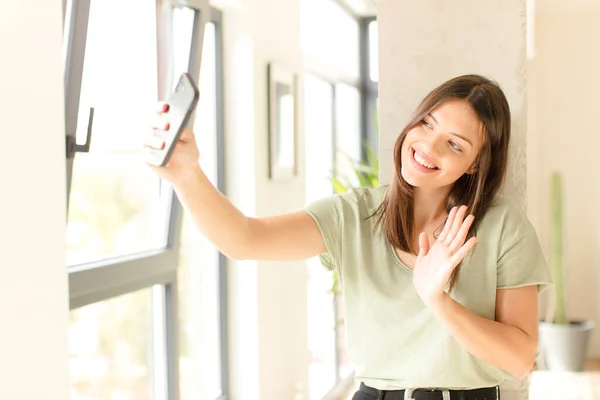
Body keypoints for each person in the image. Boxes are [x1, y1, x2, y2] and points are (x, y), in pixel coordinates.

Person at [145, 74, 552, 400]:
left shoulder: (502, 226)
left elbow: (519, 358)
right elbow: (244, 239)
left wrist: (437, 300)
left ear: (476, 164)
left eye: (454, 144)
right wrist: (186, 173)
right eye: (427, 123)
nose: (428, 145)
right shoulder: (352, 215)